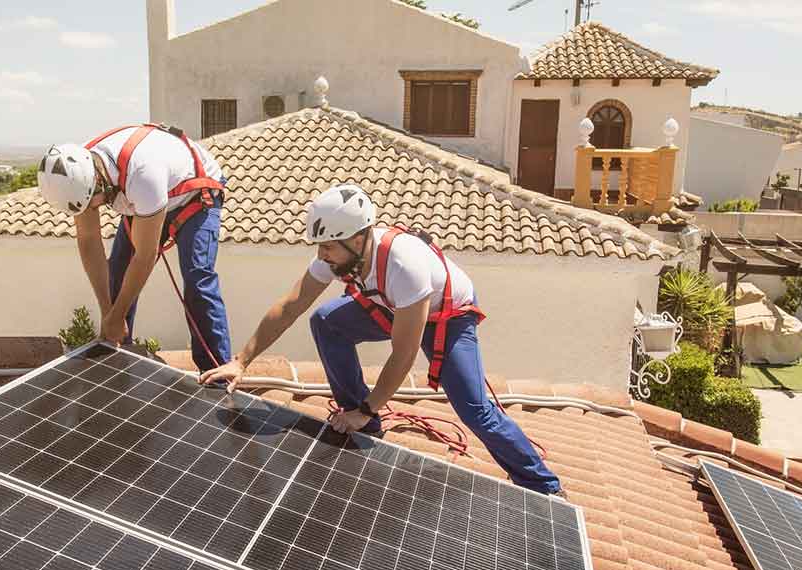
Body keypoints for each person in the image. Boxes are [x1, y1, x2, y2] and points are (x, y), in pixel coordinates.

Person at [199, 184, 561, 495]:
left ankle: (543, 486)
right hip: (390, 304)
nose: (321, 256)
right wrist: (241, 360)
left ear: (358, 239)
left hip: (446, 316)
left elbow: (403, 355)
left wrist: (369, 406)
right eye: (319, 247)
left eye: (328, 248)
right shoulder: (340, 253)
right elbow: (292, 304)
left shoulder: (404, 264)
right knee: (326, 321)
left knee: (474, 409)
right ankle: (363, 425)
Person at [38, 125, 232, 371]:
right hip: (146, 197)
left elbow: (144, 256)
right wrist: (108, 312)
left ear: (100, 182)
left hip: (194, 195)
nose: (92, 209)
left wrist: (117, 315)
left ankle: (217, 370)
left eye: (92, 203)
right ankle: (117, 354)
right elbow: (89, 241)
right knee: (117, 273)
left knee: (197, 278)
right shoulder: (77, 174)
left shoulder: (143, 175)